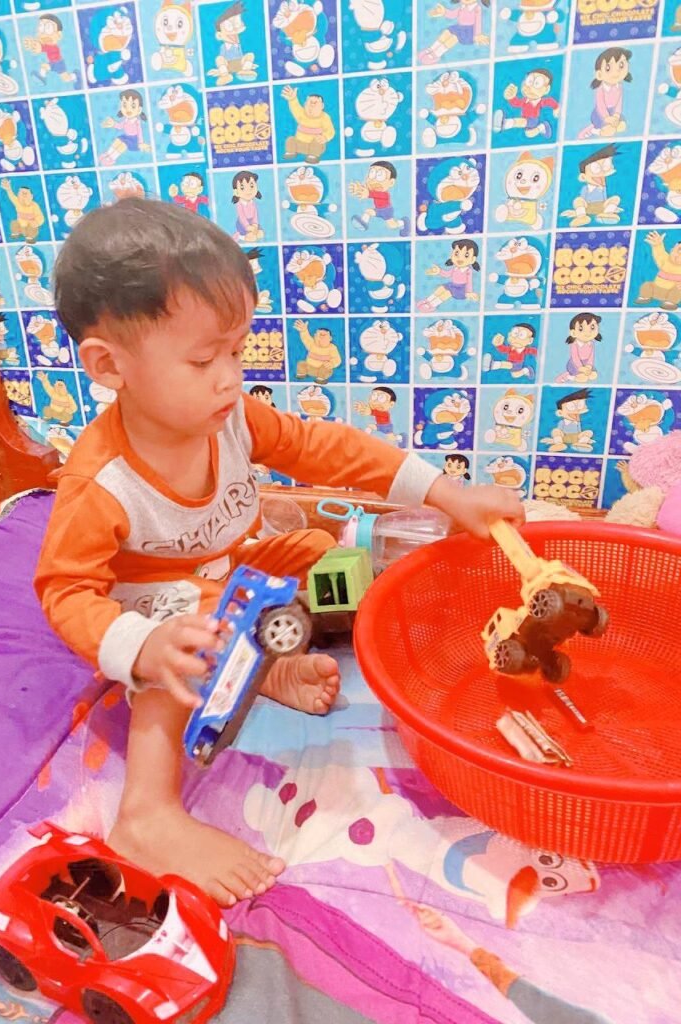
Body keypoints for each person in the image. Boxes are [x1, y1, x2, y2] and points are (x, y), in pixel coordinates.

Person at [35, 198, 524, 908]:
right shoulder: (99, 484)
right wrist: (139, 649)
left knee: (312, 547)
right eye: (204, 359)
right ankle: (147, 811)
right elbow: (64, 592)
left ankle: (260, 666)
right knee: (199, 616)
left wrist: (446, 493)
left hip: (226, 583)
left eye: (236, 351)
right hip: (153, 615)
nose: (230, 377)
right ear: (110, 366)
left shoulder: (230, 417)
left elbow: (328, 448)